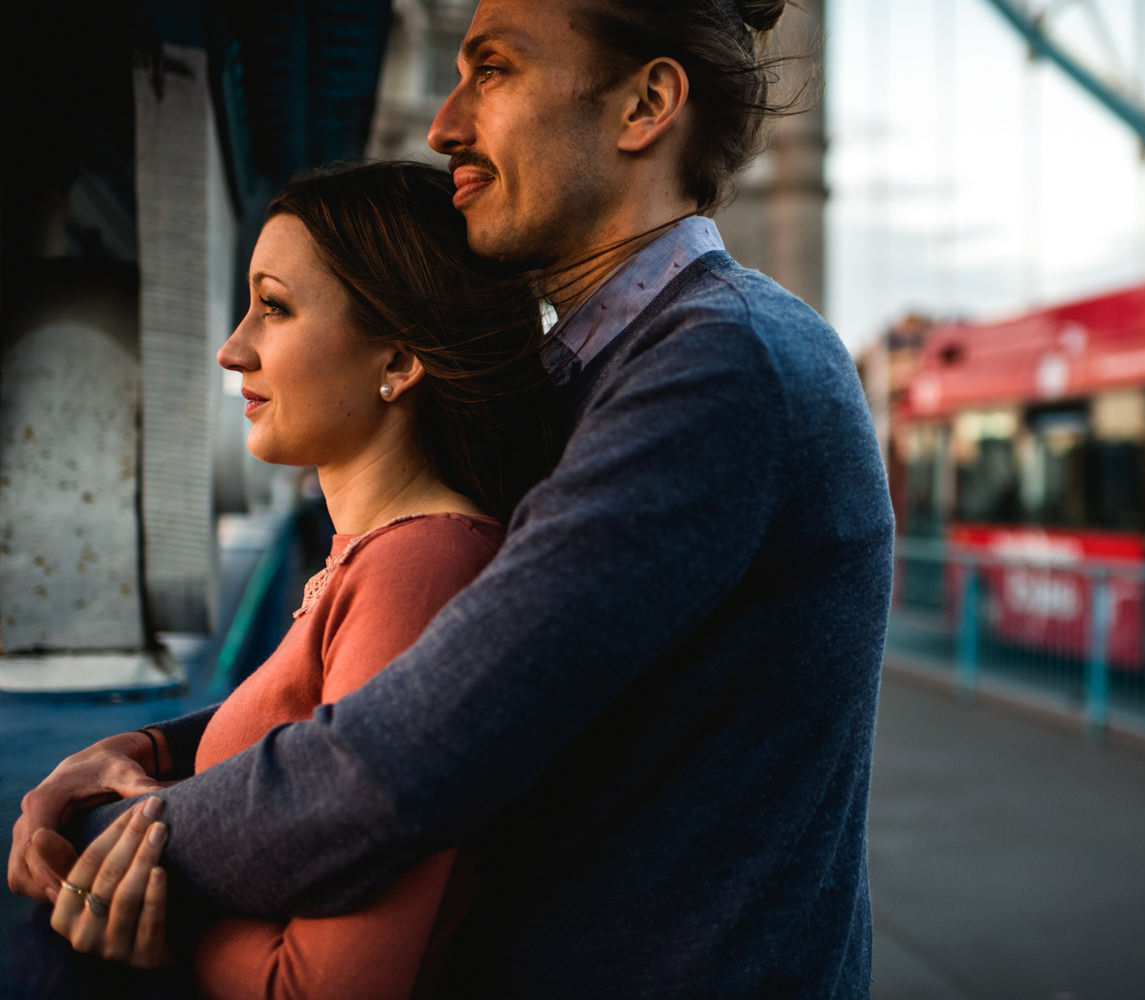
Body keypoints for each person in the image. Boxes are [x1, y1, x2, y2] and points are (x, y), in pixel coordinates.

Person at [11, 1, 894, 994]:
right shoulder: (597, 374)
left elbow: (417, 751)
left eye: (496, 69)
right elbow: (407, 694)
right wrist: (142, 749)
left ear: (646, 104)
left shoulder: (724, 368)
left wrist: (127, 833)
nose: (445, 124)